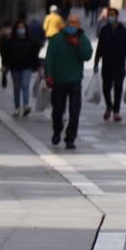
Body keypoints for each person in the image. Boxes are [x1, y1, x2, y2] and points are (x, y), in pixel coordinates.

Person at [44, 14, 93, 149]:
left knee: (74, 112)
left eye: (75, 23)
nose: (72, 25)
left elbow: (87, 55)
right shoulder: (56, 39)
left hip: (75, 81)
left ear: (79, 25)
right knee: (57, 110)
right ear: (66, 24)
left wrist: (78, 45)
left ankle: (70, 138)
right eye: (70, 22)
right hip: (59, 81)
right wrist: (49, 75)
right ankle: (57, 130)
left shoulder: (82, 39)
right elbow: (49, 59)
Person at [92, 7, 126, 123]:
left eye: (112, 15)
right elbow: (99, 48)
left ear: (117, 16)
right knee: (106, 88)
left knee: (118, 88)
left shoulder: (123, 31)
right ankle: (109, 106)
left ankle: (116, 111)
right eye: (109, 15)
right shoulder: (104, 30)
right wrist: (96, 63)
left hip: (120, 64)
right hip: (107, 64)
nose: (110, 17)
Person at [0, 19, 42, 117]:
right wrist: (4, 66)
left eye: (22, 28)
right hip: (15, 67)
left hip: (26, 67)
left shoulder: (30, 41)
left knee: (25, 86)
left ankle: (26, 105)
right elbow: (6, 55)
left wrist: (39, 66)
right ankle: (17, 108)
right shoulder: (10, 41)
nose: (21, 30)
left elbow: (34, 55)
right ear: (15, 29)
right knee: (17, 88)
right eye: (19, 28)